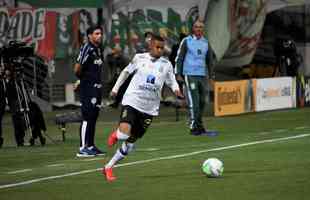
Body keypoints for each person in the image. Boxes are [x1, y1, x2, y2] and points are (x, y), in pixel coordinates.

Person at [102, 34, 183, 181]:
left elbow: (172, 81)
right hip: (132, 101)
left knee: (130, 144)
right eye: (157, 47)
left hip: (150, 109)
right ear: (150, 46)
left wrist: (177, 90)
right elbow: (125, 73)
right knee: (124, 135)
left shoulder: (166, 64)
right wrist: (115, 89)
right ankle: (116, 134)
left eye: (162, 48)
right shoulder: (139, 58)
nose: (160, 50)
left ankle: (108, 167)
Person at [175, 19, 215, 135]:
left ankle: (199, 124)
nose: (199, 29)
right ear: (193, 29)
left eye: (201, 27)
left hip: (202, 75)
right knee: (194, 102)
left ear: (203, 29)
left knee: (203, 101)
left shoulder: (206, 43)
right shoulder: (186, 41)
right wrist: (178, 73)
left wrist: (211, 76)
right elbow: (179, 58)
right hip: (190, 74)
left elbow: (210, 61)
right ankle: (194, 127)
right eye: (197, 27)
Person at [74, 25, 106, 157]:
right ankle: (82, 148)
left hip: (97, 88)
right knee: (87, 116)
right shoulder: (86, 48)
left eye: (100, 33)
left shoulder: (98, 49)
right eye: (96, 33)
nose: (100, 36)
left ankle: (91, 145)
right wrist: (82, 80)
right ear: (90, 36)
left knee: (93, 117)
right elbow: (77, 69)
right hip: (88, 88)